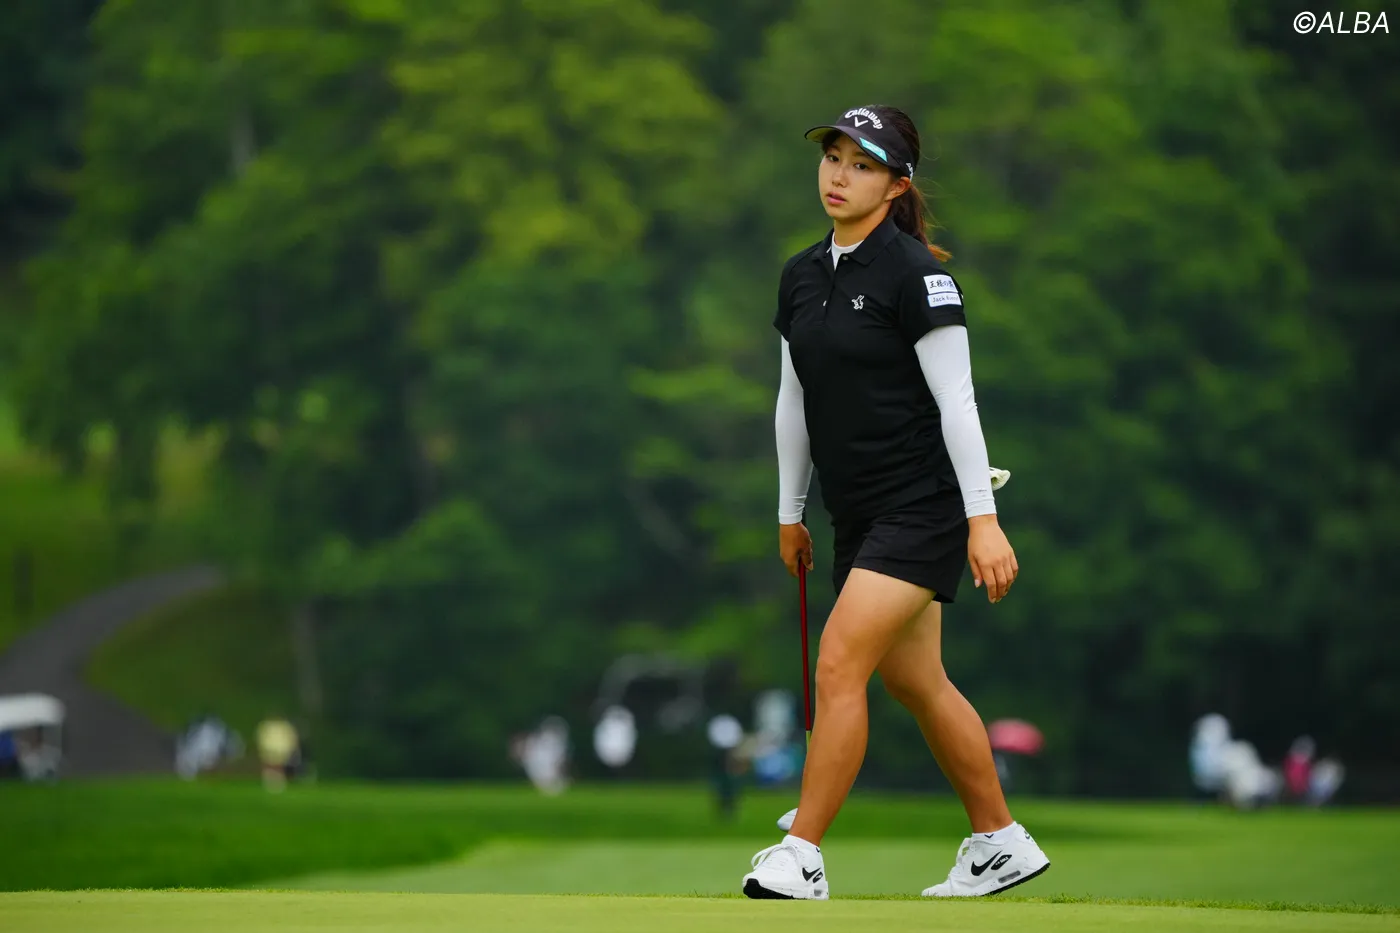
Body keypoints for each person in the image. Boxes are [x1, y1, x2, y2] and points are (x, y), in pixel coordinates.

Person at [741, 105, 1050, 900]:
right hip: (857, 512)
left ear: (896, 185)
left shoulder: (917, 276)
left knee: (839, 662)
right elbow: (793, 400)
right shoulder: (801, 274)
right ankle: (999, 841)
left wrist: (983, 520)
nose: (839, 175)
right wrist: (789, 511)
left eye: (862, 165)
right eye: (833, 158)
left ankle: (802, 854)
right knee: (917, 682)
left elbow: (959, 402)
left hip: (925, 503)